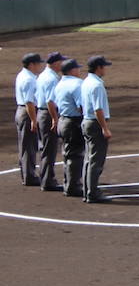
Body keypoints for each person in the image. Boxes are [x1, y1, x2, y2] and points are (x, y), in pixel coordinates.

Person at [81, 55, 113, 203]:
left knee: (89, 159)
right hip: (95, 124)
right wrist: (104, 128)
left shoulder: (86, 82)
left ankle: (88, 191)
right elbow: (98, 109)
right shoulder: (97, 85)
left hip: (87, 122)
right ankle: (92, 193)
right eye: (104, 67)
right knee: (95, 160)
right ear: (98, 68)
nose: (105, 69)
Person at [51, 58, 84, 197]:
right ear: (71, 70)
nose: (79, 70)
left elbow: (53, 102)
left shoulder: (59, 84)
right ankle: (72, 186)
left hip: (63, 120)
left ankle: (68, 183)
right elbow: (81, 106)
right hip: (73, 122)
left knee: (67, 154)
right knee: (75, 155)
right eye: (77, 68)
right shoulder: (77, 84)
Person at [35, 51, 66, 191]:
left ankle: (45, 177)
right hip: (48, 115)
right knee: (49, 148)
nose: (63, 64)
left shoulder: (43, 75)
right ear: (55, 63)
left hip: (42, 113)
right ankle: (48, 181)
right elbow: (50, 101)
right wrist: (55, 119)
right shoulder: (51, 79)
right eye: (61, 61)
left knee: (45, 147)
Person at [15, 52, 44, 187]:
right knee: (29, 146)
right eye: (38, 64)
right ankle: (29, 176)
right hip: (27, 113)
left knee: (25, 144)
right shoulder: (29, 79)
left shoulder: (22, 75)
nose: (39, 66)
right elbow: (29, 102)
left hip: (21, 111)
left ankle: (26, 173)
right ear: (32, 64)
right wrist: (33, 120)